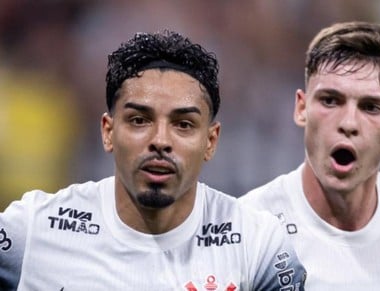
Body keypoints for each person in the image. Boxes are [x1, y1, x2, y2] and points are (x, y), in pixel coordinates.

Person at [0, 30, 307, 290]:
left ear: (210, 142)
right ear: (108, 132)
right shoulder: (34, 229)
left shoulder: (257, 245)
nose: (160, 141)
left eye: (183, 124)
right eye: (139, 120)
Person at [239, 21, 380, 290]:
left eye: (371, 107)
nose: (349, 123)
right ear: (301, 108)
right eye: (330, 100)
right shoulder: (246, 230)